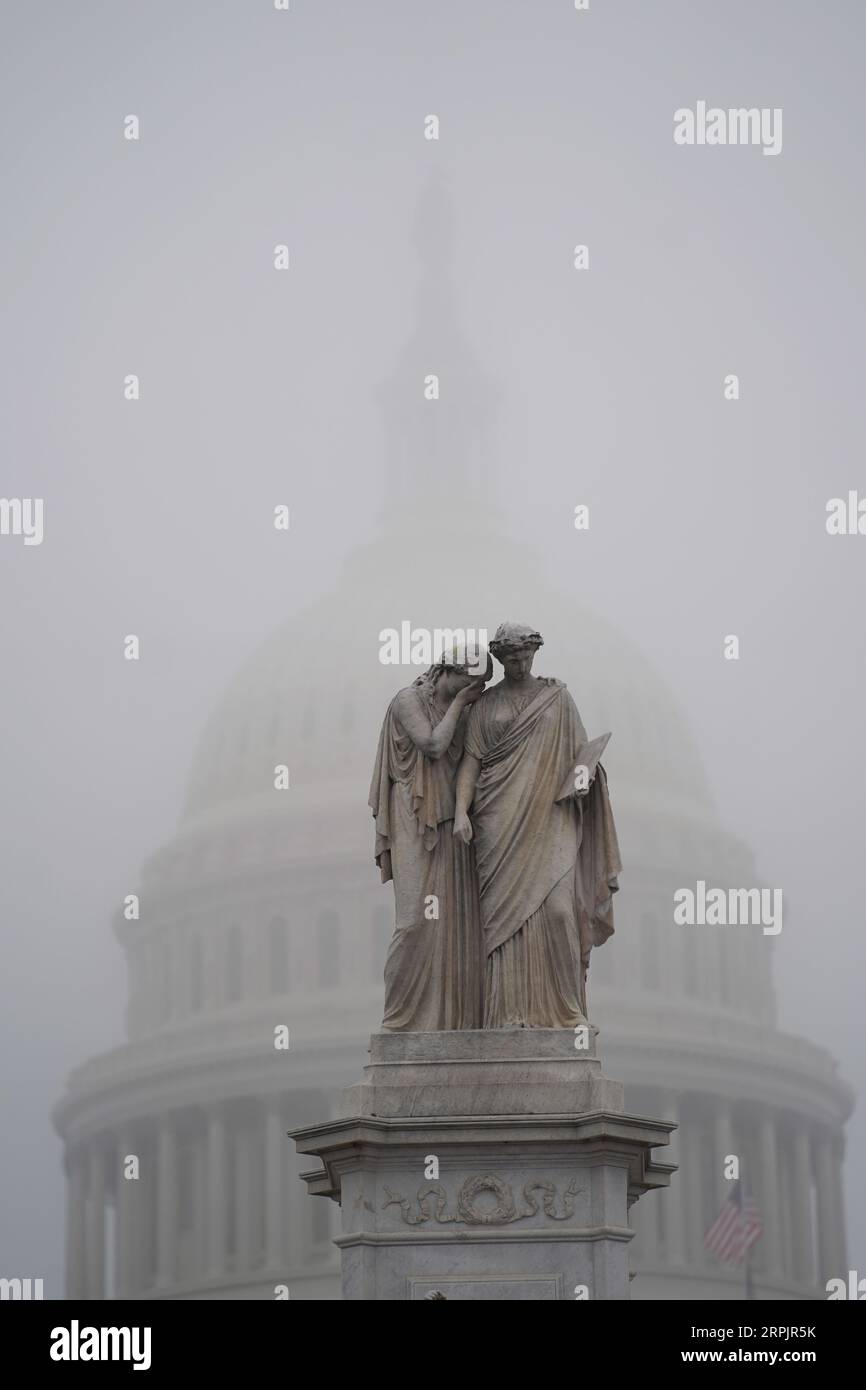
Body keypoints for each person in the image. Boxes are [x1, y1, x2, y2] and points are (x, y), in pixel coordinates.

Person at [454, 622, 621, 1029]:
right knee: (503, 925)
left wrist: (582, 780)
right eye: (510, 659)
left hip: (552, 816)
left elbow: (583, 756)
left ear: (534, 654)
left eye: (524, 657)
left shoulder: (557, 700)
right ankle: (507, 1015)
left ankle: (566, 1012)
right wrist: (461, 811)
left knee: (560, 913)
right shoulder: (486, 706)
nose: (518, 664)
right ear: (499, 658)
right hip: (498, 822)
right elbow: (471, 764)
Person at [369, 645, 491, 1030]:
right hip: (413, 814)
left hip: (448, 822)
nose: (470, 693)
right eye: (465, 683)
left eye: (478, 688)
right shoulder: (408, 700)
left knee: (451, 925)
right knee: (413, 922)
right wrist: (461, 703)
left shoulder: (468, 707)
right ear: (443, 671)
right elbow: (434, 746)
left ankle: (448, 1022)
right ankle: (400, 1022)